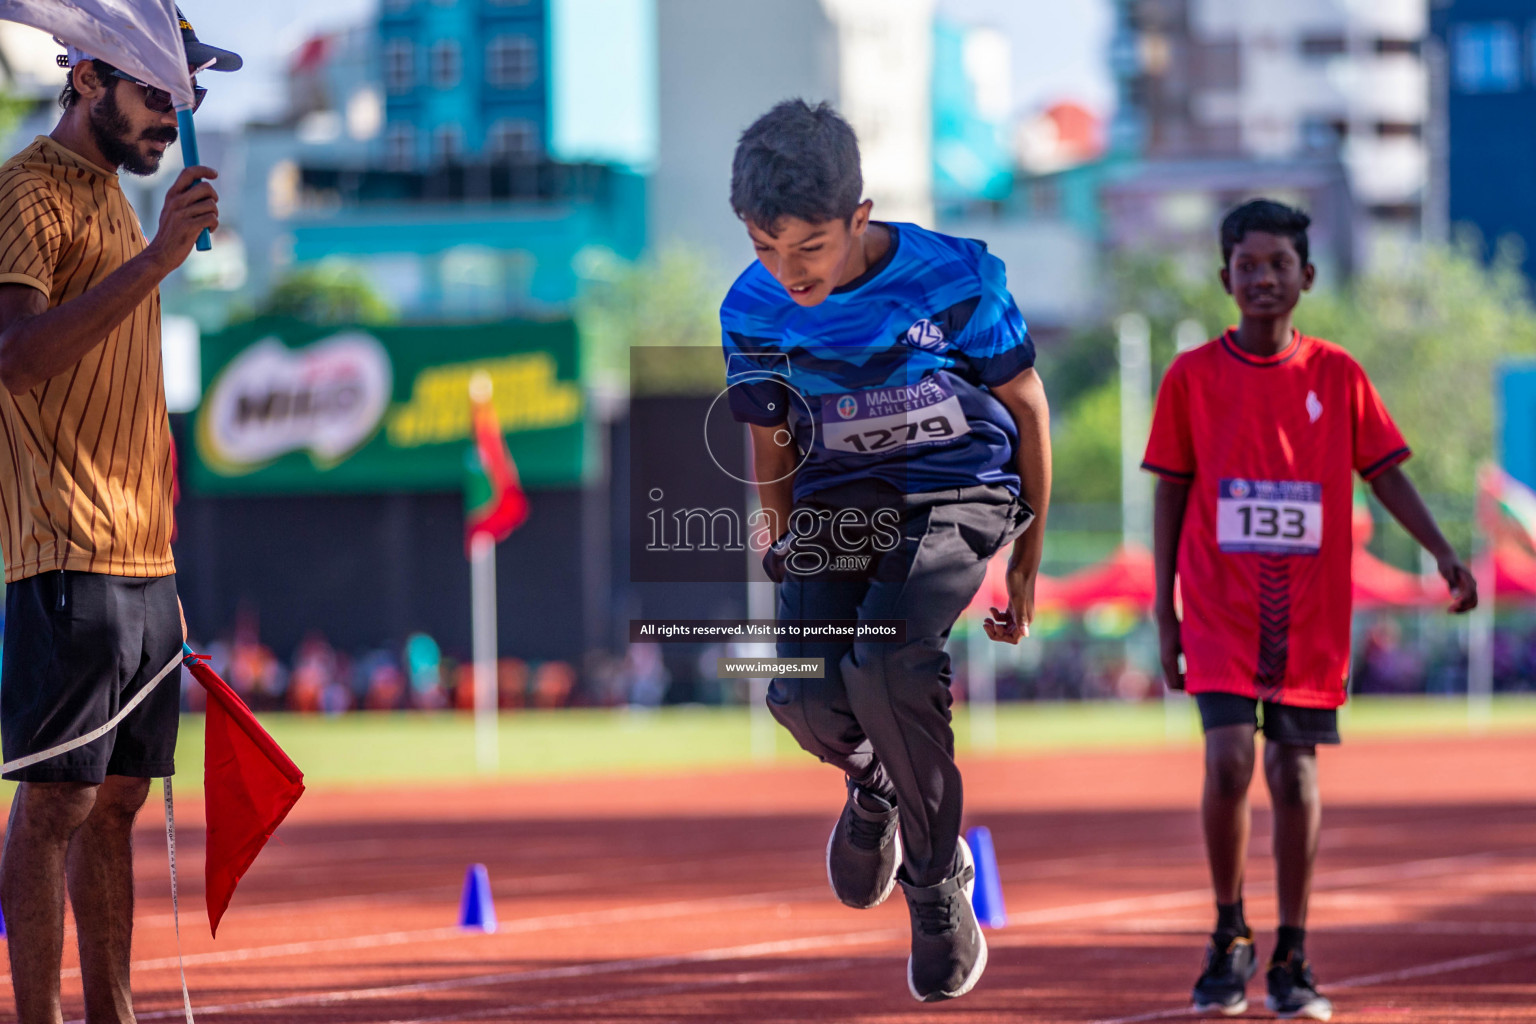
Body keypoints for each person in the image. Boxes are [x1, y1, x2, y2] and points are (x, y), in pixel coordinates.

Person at [719, 100, 1050, 1002]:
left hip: (960, 490)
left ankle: (940, 889)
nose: (788, 273)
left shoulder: (955, 281)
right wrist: (779, 526)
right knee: (801, 695)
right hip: (835, 500)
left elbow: (1027, 407)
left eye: (810, 248)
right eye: (764, 247)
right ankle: (875, 789)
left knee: (888, 666)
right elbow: (772, 430)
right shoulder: (750, 311)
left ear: (859, 218)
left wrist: (1024, 563)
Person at [1144, 199, 1477, 1020]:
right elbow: (1172, 493)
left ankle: (1293, 953)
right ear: (1226, 278)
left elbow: (1386, 472)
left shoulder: (1339, 375)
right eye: (1248, 266)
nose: (1263, 278)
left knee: (1293, 773)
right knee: (1227, 763)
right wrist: (1163, 609)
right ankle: (1229, 934)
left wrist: (1441, 549)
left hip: (1308, 613)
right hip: (1218, 605)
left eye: (1278, 265)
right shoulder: (1191, 378)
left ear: (1307, 277)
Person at [0, 13, 240, 1023]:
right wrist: (157, 264)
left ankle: (116, 1013)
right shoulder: (24, 189)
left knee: (120, 807)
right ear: (88, 76)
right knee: (56, 803)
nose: (173, 121)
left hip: (146, 560)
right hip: (64, 550)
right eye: (156, 97)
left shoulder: (119, 205)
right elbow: (15, 360)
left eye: (185, 102)